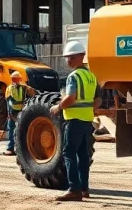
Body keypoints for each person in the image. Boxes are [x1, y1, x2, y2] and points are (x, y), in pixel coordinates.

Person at [49, 40, 98, 202]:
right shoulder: (91, 76)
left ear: (81, 57)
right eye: (67, 57)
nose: (68, 60)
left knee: (69, 153)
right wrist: (88, 108)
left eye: (71, 57)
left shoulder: (73, 77)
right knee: (83, 155)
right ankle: (84, 188)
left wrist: (58, 107)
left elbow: (70, 98)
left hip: (74, 121)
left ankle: (74, 189)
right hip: (87, 121)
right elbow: (98, 101)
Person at [3, 71, 35, 156]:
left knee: (20, 130)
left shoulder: (24, 88)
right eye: (14, 79)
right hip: (12, 112)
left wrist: (30, 89)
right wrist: (9, 112)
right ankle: (10, 148)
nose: (16, 81)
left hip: (21, 112)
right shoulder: (9, 88)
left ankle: (20, 149)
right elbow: (8, 101)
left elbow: (31, 96)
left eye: (17, 79)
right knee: (11, 130)